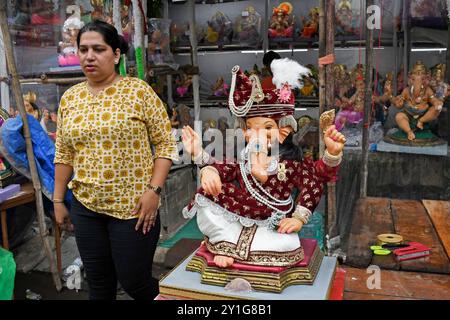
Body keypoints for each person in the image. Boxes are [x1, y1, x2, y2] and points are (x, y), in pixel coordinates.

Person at [53, 20, 177, 300]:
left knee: (135, 281)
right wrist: (59, 200)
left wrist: (154, 191)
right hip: (86, 207)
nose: (89, 56)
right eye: (83, 49)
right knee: (98, 283)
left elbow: (166, 143)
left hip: (134, 207)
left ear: (116, 54)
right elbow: (64, 153)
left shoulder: (138, 92)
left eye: (98, 49)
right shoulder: (70, 99)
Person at [181, 59, 345, 268]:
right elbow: (224, 168)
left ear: (283, 131)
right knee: (205, 196)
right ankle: (224, 243)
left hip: (274, 224)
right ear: (244, 132)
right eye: (251, 128)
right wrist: (203, 162)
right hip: (240, 219)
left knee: (287, 244)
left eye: (267, 128)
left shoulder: (289, 164)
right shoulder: (244, 160)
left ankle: (229, 245)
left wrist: (332, 153)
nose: (258, 135)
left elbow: (315, 178)